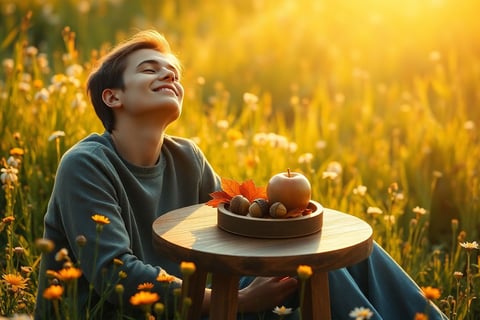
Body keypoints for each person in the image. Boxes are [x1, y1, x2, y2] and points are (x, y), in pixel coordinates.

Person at [35, 29, 448, 320]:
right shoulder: (86, 165)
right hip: (130, 311)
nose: (169, 76)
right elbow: (115, 275)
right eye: (150, 69)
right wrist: (242, 301)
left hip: (201, 299)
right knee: (310, 272)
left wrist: (282, 213)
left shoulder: (187, 158)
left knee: (325, 257)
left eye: (174, 72)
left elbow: (235, 229)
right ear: (113, 97)